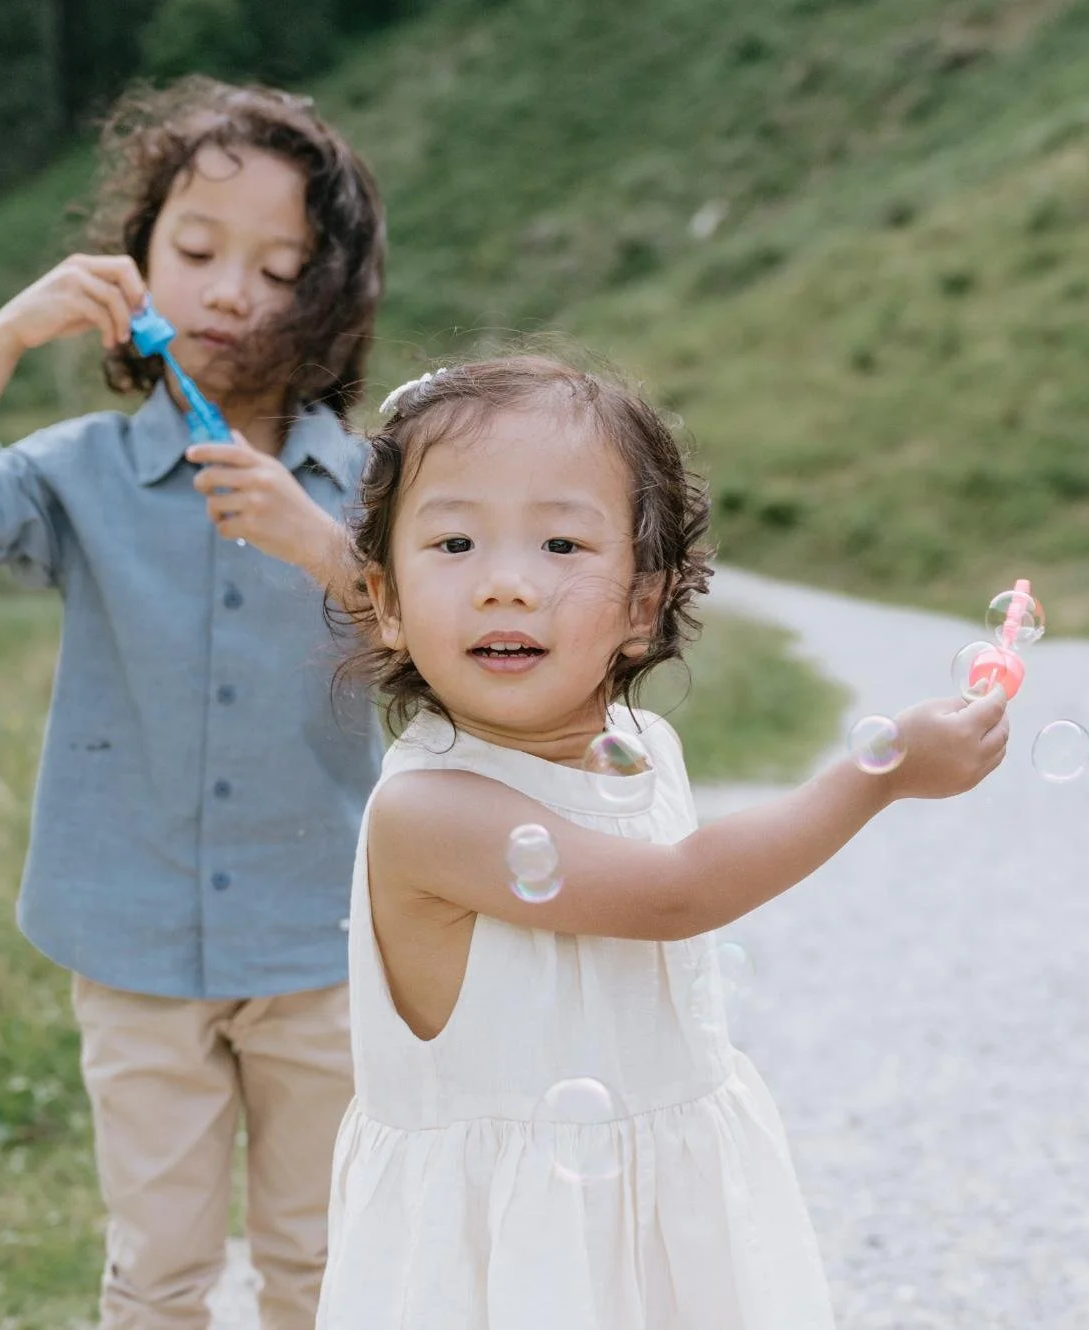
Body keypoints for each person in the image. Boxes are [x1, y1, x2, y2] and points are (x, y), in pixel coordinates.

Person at [316, 354, 1010, 1329]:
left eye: (560, 543)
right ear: (384, 599)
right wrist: (880, 772)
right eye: (456, 541)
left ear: (643, 606)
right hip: (511, 1263)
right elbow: (675, 892)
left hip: (661, 1220)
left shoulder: (644, 749)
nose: (506, 584)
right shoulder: (430, 811)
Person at [0, 76, 386, 1330]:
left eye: (277, 266)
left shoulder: (369, 483)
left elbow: (439, 646)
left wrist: (319, 546)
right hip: (132, 943)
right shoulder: (81, 472)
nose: (228, 291)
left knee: (323, 1260)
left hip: (321, 940)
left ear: (327, 295)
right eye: (196, 251)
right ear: (137, 263)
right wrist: (3, 337)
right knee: (155, 1271)